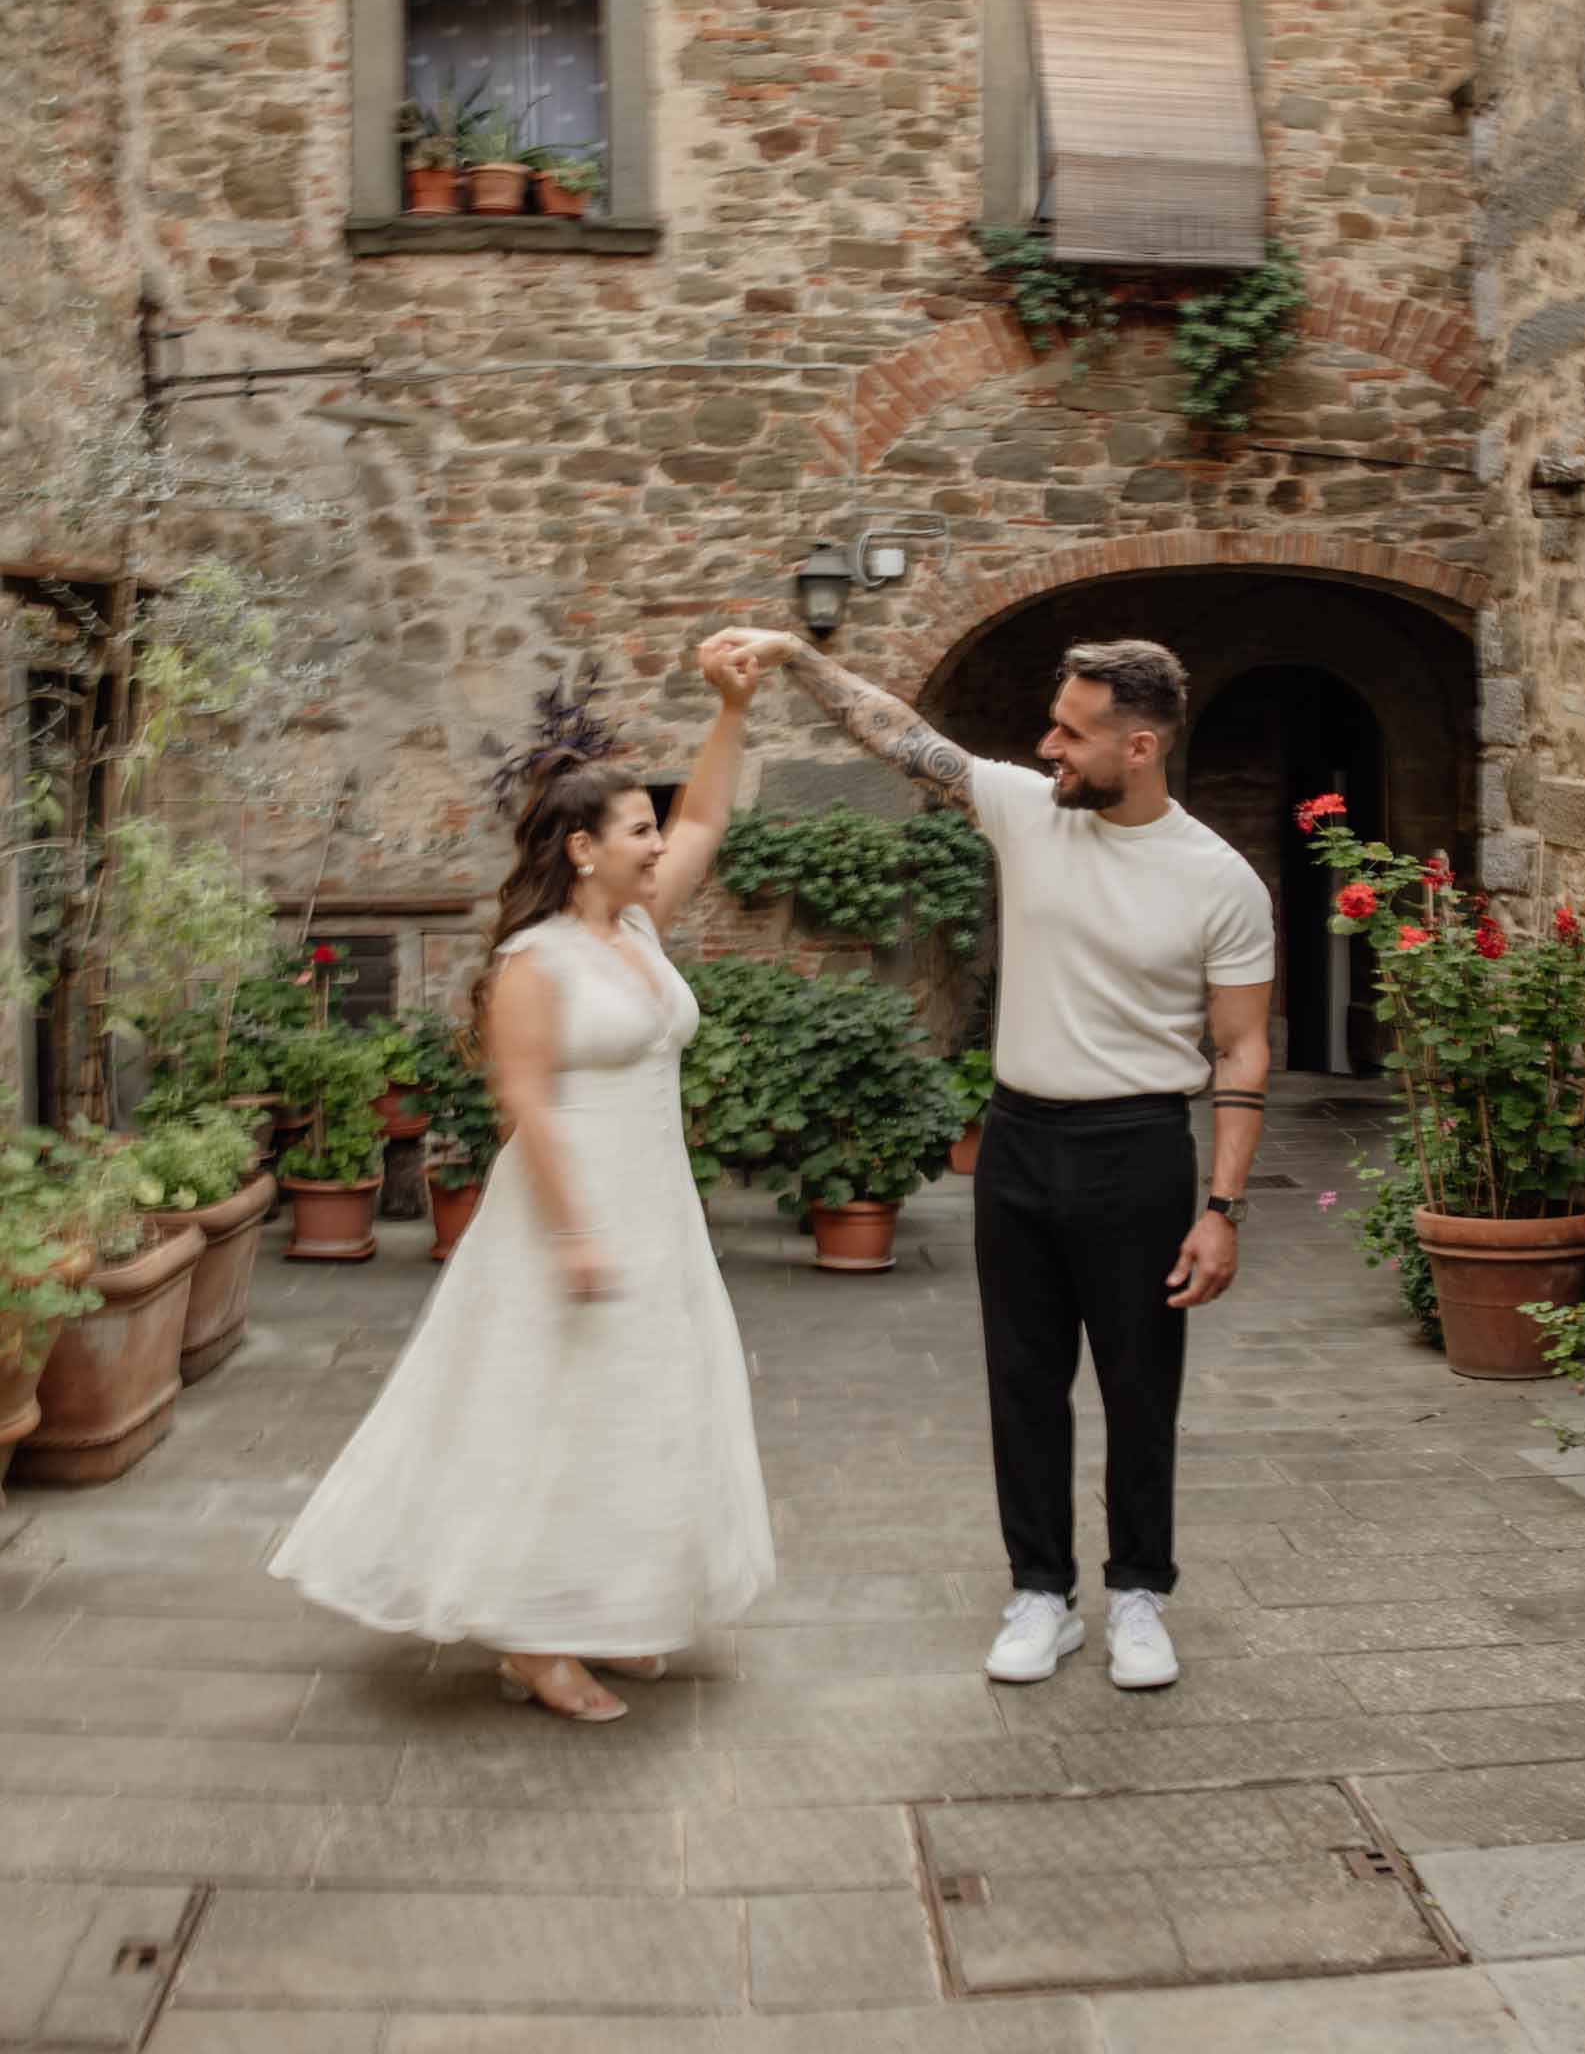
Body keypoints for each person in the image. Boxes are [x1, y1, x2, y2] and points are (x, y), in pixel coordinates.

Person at [697, 627, 1273, 1692]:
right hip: (1016, 1138)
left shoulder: (1219, 881)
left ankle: (1139, 1594)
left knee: (1141, 1389)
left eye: (1071, 729)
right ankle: (1040, 1594)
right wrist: (789, 653)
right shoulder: (1024, 808)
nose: (1045, 743)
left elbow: (1240, 1047)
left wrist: (1222, 1205)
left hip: (1138, 1149)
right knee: (1022, 1383)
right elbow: (899, 737)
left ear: (1138, 746)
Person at [268, 648, 775, 1722]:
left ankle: (598, 1606)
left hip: (656, 1202)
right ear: (584, 849)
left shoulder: (637, 924)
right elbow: (526, 1104)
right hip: (567, 1207)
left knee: (637, 1409)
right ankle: (536, 1643)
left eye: (651, 826)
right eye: (638, 827)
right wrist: (577, 1235)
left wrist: (731, 709)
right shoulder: (535, 961)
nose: (656, 840)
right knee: (548, 1410)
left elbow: (709, 823)